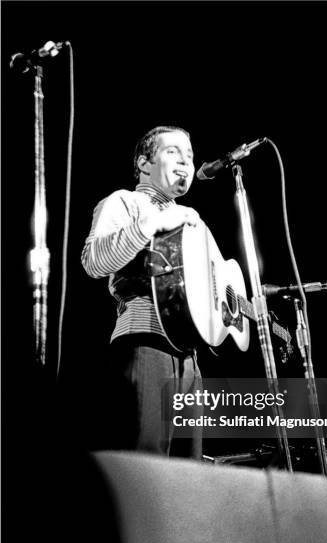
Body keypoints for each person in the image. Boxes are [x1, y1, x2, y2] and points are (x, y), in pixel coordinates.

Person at [81, 126, 203, 457]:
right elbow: (94, 261)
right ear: (144, 164)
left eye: (190, 155)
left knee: (188, 476)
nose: (186, 161)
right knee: (147, 466)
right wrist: (151, 222)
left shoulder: (192, 222)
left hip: (189, 357)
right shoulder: (125, 201)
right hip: (145, 342)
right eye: (173, 151)